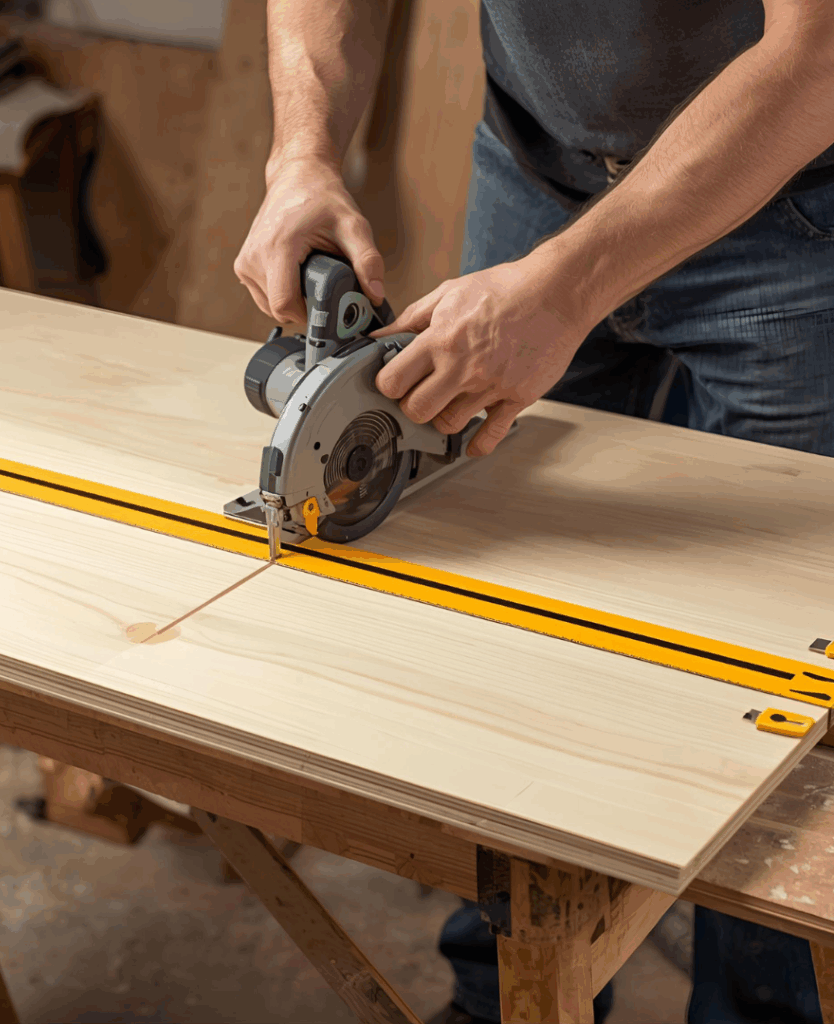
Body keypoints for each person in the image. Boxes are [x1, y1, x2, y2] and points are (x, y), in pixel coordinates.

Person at [234, 2, 834, 1022]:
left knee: (781, 680)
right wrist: (302, 151)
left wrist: (567, 287)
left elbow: (818, 56)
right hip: (538, 162)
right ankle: (506, 996)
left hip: (791, 191)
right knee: (499, 617)